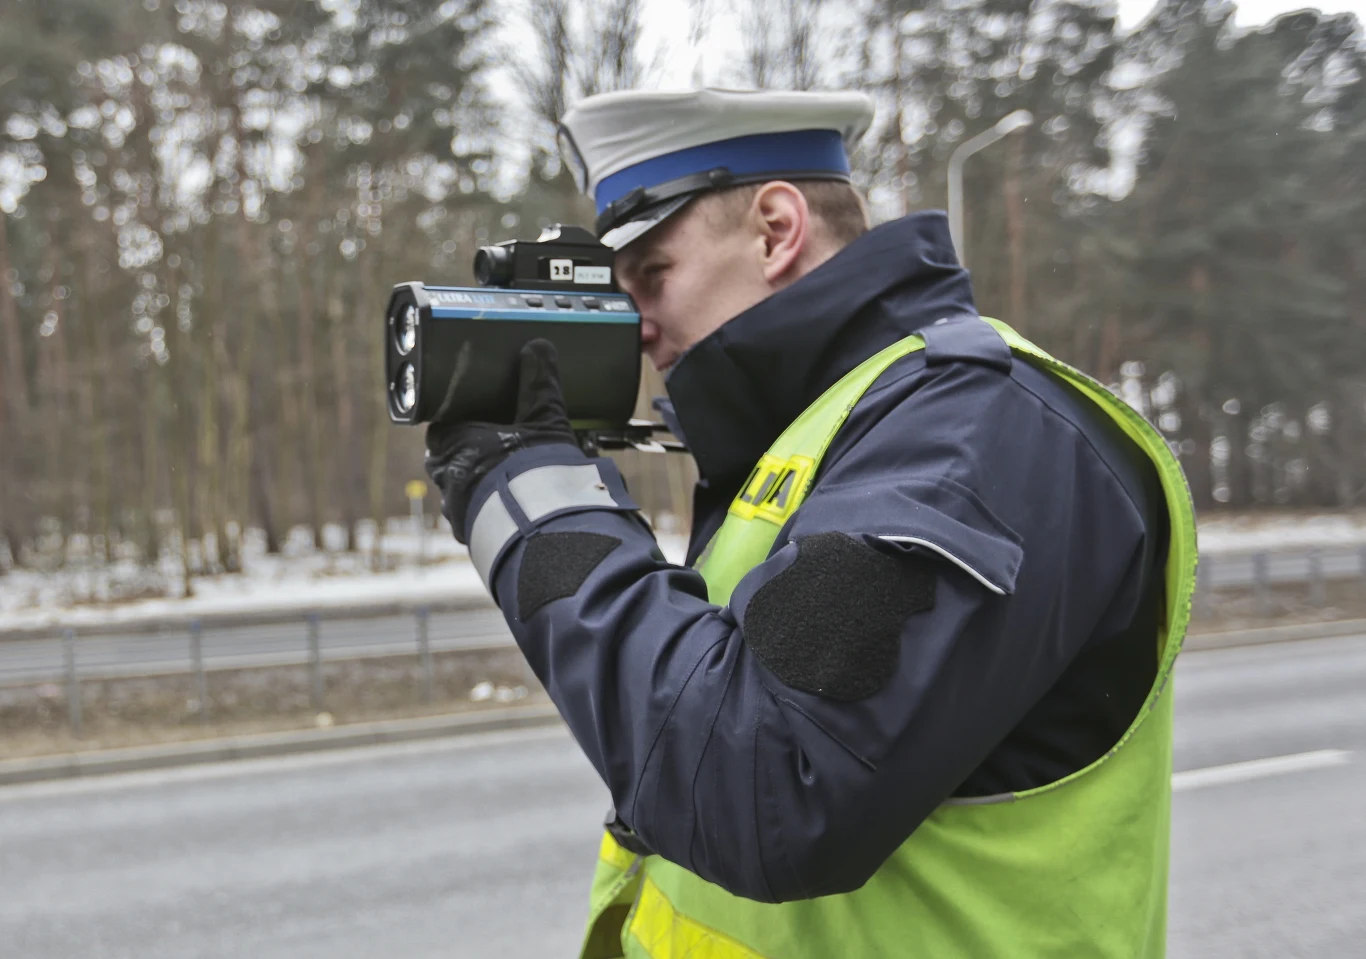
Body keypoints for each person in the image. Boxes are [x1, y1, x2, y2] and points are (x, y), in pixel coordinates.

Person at [423, 88, 1197, 959]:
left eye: (653, 274)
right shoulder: (819, 438)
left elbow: (770, 786)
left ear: (776, 229)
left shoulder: (978, 436)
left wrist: (533, 502)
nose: (635, 326)